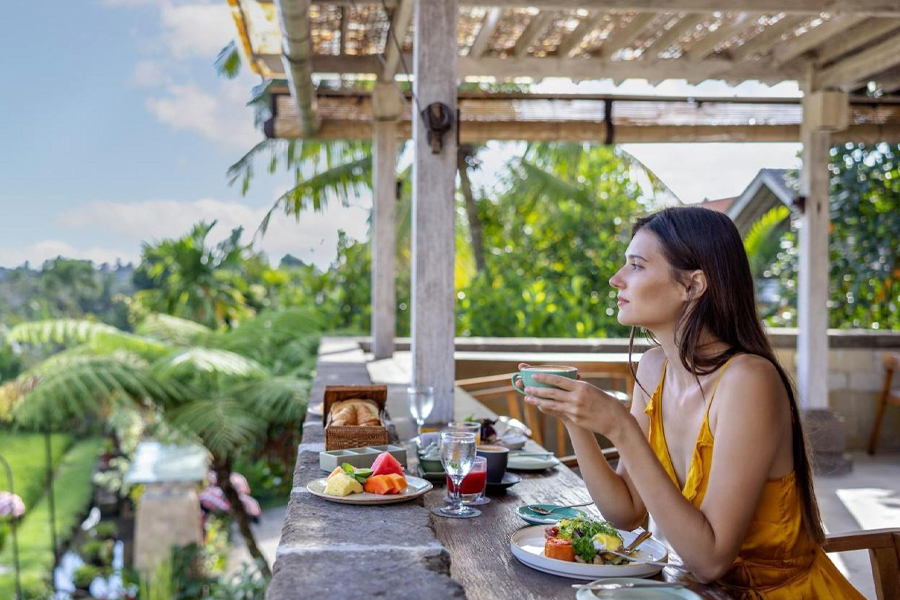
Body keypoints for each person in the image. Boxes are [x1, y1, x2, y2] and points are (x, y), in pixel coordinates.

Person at [520, 207, 863, 599]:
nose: (616, 279)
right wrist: (574, 417)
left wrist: (620, 427)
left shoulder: (748, 380)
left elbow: (709, 561)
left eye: (636, 265)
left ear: (693, 285)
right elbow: (627, 513)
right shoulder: (653, 369)